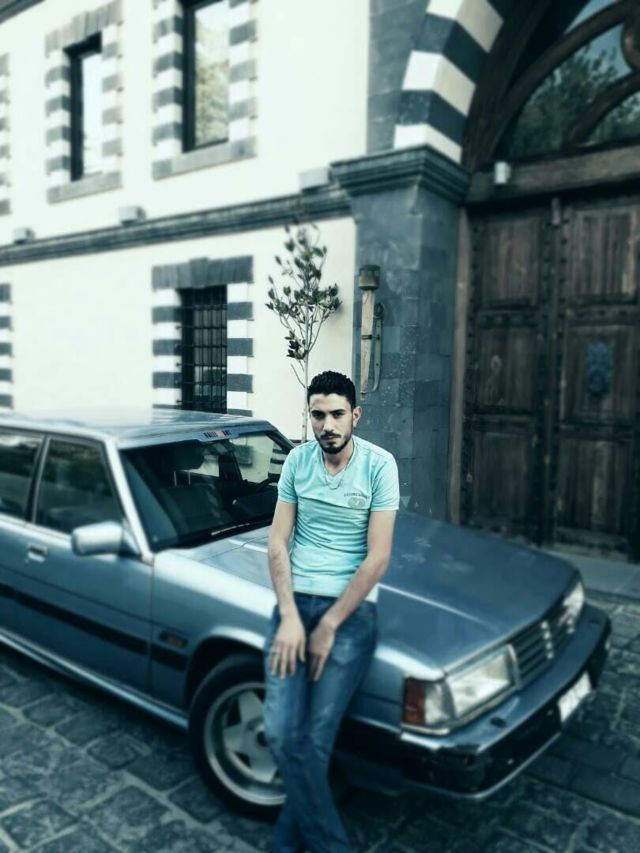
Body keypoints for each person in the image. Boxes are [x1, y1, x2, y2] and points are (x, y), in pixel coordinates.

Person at [263, 370, 399, 853]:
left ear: (355, 415)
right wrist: (290, 616)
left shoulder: (380, 465)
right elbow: (277, 541)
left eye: (337, 414)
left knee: (314, 743)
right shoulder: (297, 461)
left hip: (350, 614)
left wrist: (330, 625)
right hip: (294, 605)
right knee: (281, 735)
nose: (327, 425)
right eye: (318, 415)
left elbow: (377, 558)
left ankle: (288, 847)